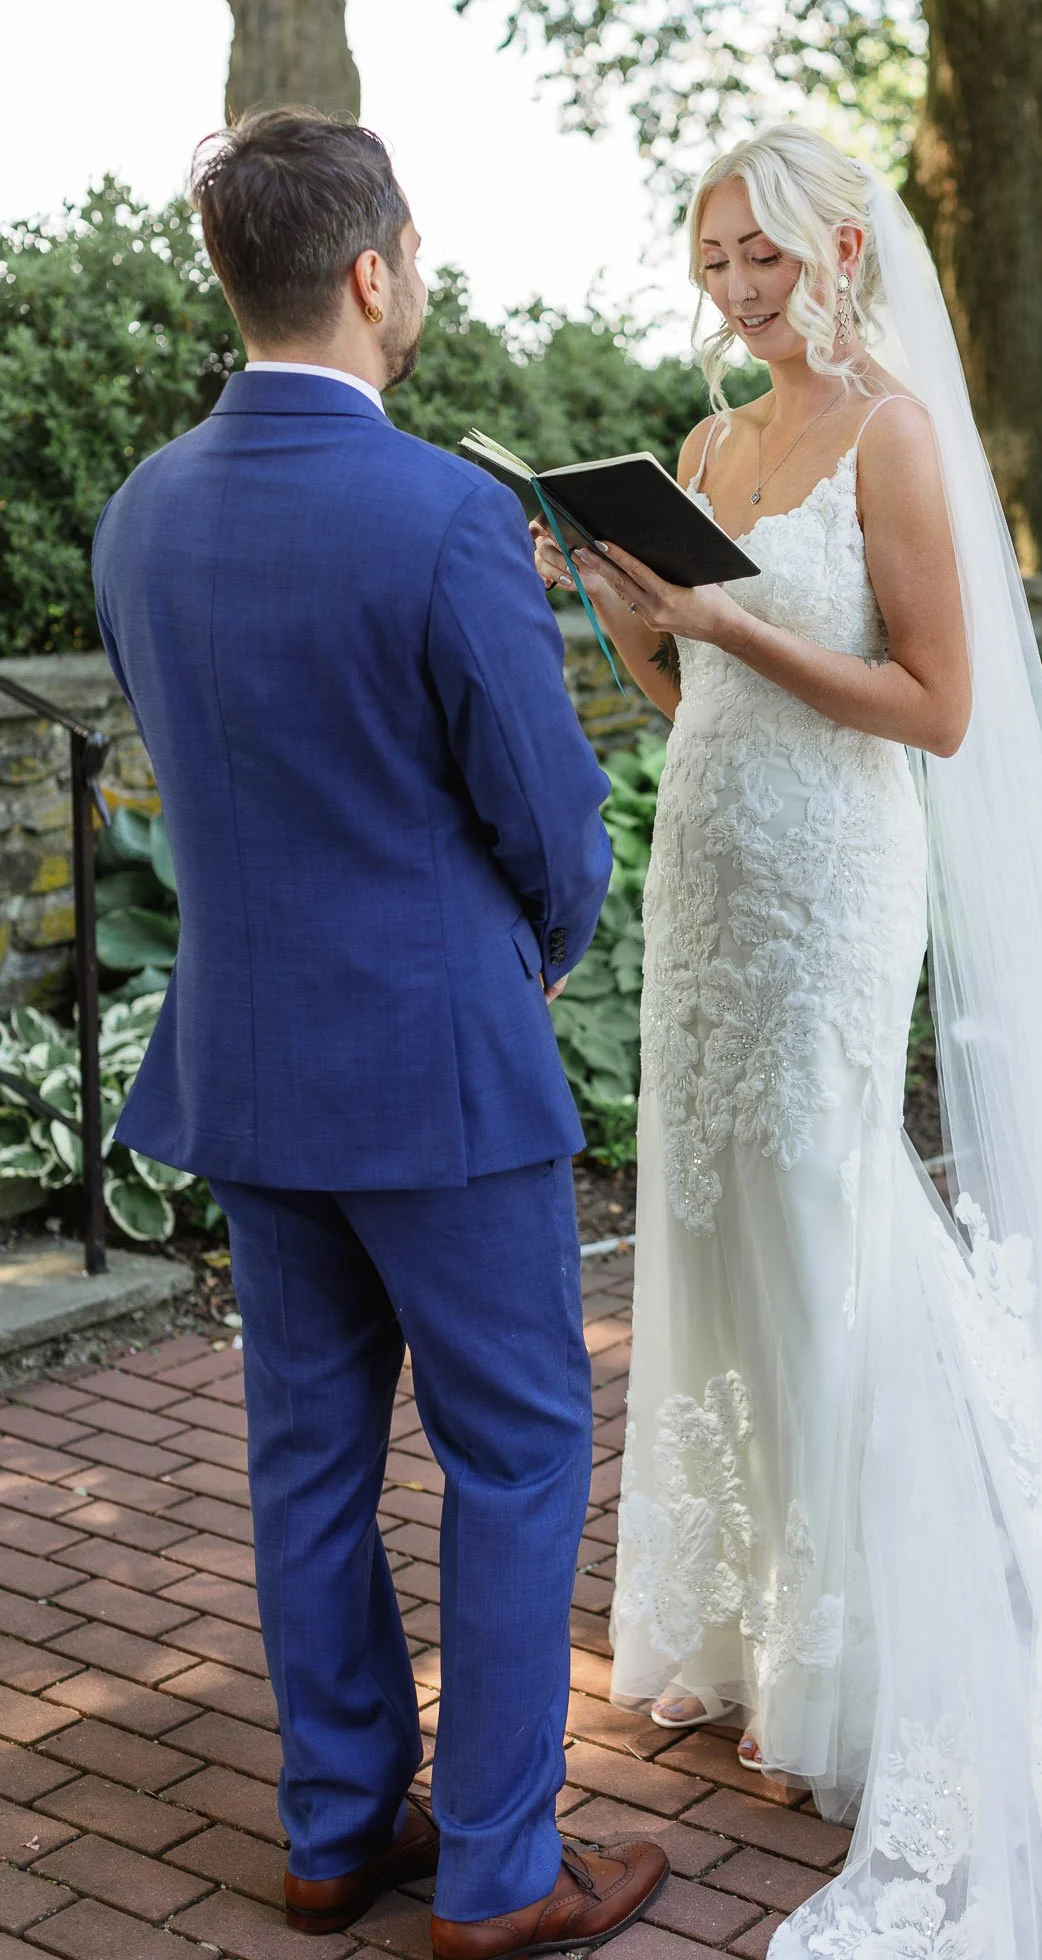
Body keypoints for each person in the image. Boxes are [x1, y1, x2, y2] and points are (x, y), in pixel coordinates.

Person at [535, 123, 1042, 1958]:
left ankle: (902, 1642)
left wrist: (718, 638)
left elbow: (937, 703)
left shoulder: (891, 436)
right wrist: (621, 607)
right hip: (710, 870)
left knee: (835, 1226)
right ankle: (756, 1628)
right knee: (723, 1223)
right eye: (715, 259)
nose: (738, 290)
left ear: (840, 252)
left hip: (836, 878)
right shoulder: (706, 445)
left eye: (765, 256)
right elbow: (680, 689)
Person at [93, 108, 667, 1959]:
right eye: (412, 258)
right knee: (516, 1453)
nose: (417, 284)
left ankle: (338, 1830)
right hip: (437, 1071)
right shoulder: (442, 513)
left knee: (308, 1460)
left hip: (254, 1070)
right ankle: (501, 1870)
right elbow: (552, 811)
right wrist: (545, 951)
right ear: (370, 271)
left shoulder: (142, 511)